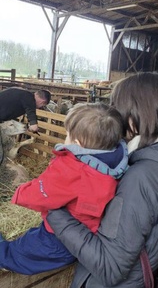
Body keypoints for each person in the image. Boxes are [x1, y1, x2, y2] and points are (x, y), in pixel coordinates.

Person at [46, 72, 158, 288]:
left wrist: (53, 209)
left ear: (134, 118)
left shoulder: (142, 178)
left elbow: (110, 267)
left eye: (116, 109)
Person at [0, 103, 128, 275]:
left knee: (17, 255)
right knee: (33, 235)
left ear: (77, 143)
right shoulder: (115, 162)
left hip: (59, 239)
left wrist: (20, 193)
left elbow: (42, 193)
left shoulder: (72, 168)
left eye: (67, 135)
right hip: (86, 231)